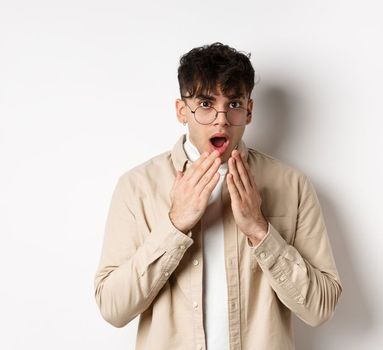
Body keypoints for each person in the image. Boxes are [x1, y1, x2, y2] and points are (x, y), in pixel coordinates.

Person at [92, 42, 342, 350]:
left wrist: (260, 230)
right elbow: (113, 308)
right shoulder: (136, 187)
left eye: (234, 104)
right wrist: (174, 225)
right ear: (182, 111)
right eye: (206, 104)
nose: (221, 119)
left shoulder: (293, 185)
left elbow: (321, 308)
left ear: (249, 111)